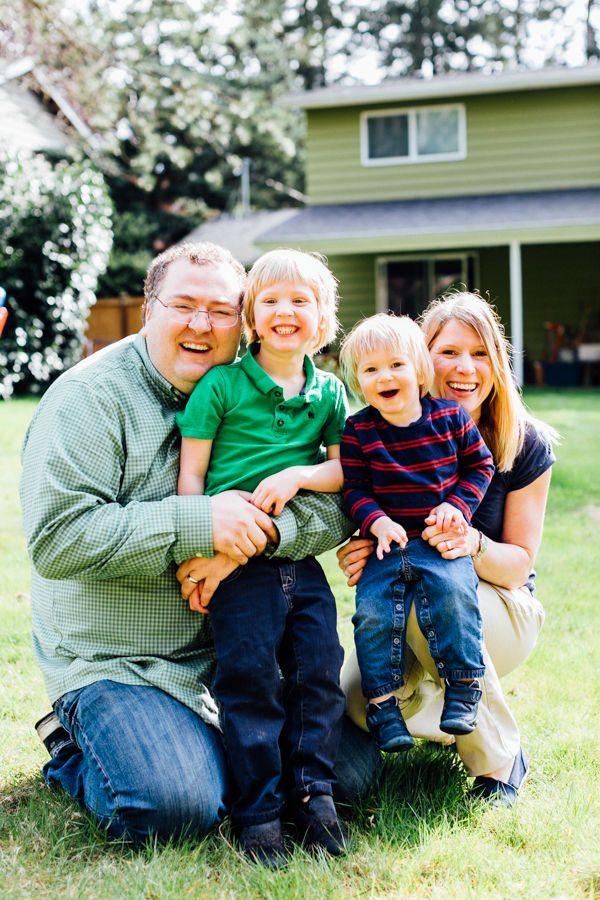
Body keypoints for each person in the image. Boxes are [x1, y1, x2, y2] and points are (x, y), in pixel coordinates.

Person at [21, 241, 380, 848]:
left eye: (220, 310)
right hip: (123, 662)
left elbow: (338, 496)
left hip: (241, 644)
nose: (201, 324)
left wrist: (247, 539)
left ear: (242, 322)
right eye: (184, 305)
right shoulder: (88, 399)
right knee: (178, 807)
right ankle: (74, 741)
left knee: (352, 775)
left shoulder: (266, 389)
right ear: (148, 309)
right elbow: (58, 539)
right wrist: (200, 522)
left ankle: (212, 750)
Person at [338, 292, 557, 807]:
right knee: (354, 700)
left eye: (480, 354)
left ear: (497, 365)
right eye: (449, 351)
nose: (465, 368)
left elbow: (519, 564)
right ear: (419, 357)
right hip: (408, 580)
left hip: (502, 606)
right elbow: (360, 495)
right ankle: (447, 717)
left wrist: (472, 541)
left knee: (429, 595)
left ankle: (501, 759)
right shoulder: (381, 431)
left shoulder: (523, 444)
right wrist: (363, 543)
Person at [175, 249, 350, 865]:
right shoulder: (221, 385)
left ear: (323, 318)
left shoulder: (330, 392)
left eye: (301, 300)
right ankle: (260, 813)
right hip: (235, 565)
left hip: (298, 562)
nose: (285, 312)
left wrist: (299, 474)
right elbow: (190, 482)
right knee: (249, 679)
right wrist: (204, 550)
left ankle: (315, 795)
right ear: (250, 315)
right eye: (270, 300)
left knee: (318, 672)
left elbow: (343, 470)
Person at [338, 314, 494, 753]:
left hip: (438, 542)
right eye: (370, 370)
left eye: (396, 365)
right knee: (372, 616)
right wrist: (375, 521)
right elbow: (355, 489)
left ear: (420, 371)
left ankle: (464, 687)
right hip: (387, 547)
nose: (384, 376)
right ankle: (384, 707)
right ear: (357, 382)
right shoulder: (359, 430)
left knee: (456, 598)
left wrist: (456, 507)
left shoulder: (449, 418)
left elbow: (480, 466)